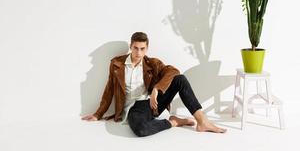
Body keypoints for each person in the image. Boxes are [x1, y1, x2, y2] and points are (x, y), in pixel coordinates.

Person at [82, 32, 227, 136]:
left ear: (147, 48)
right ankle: (174, 122)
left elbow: (173, 71)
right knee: (141, 130)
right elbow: (109, 90)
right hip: (134, 109)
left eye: (142, 49)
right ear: (130, 46)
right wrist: (98, 114)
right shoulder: (117, 64)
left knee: (180, 79)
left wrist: (157, 89)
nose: (138, 52)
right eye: (136, 48)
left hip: (153, 102)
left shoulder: (152, 63)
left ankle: (202, 121)